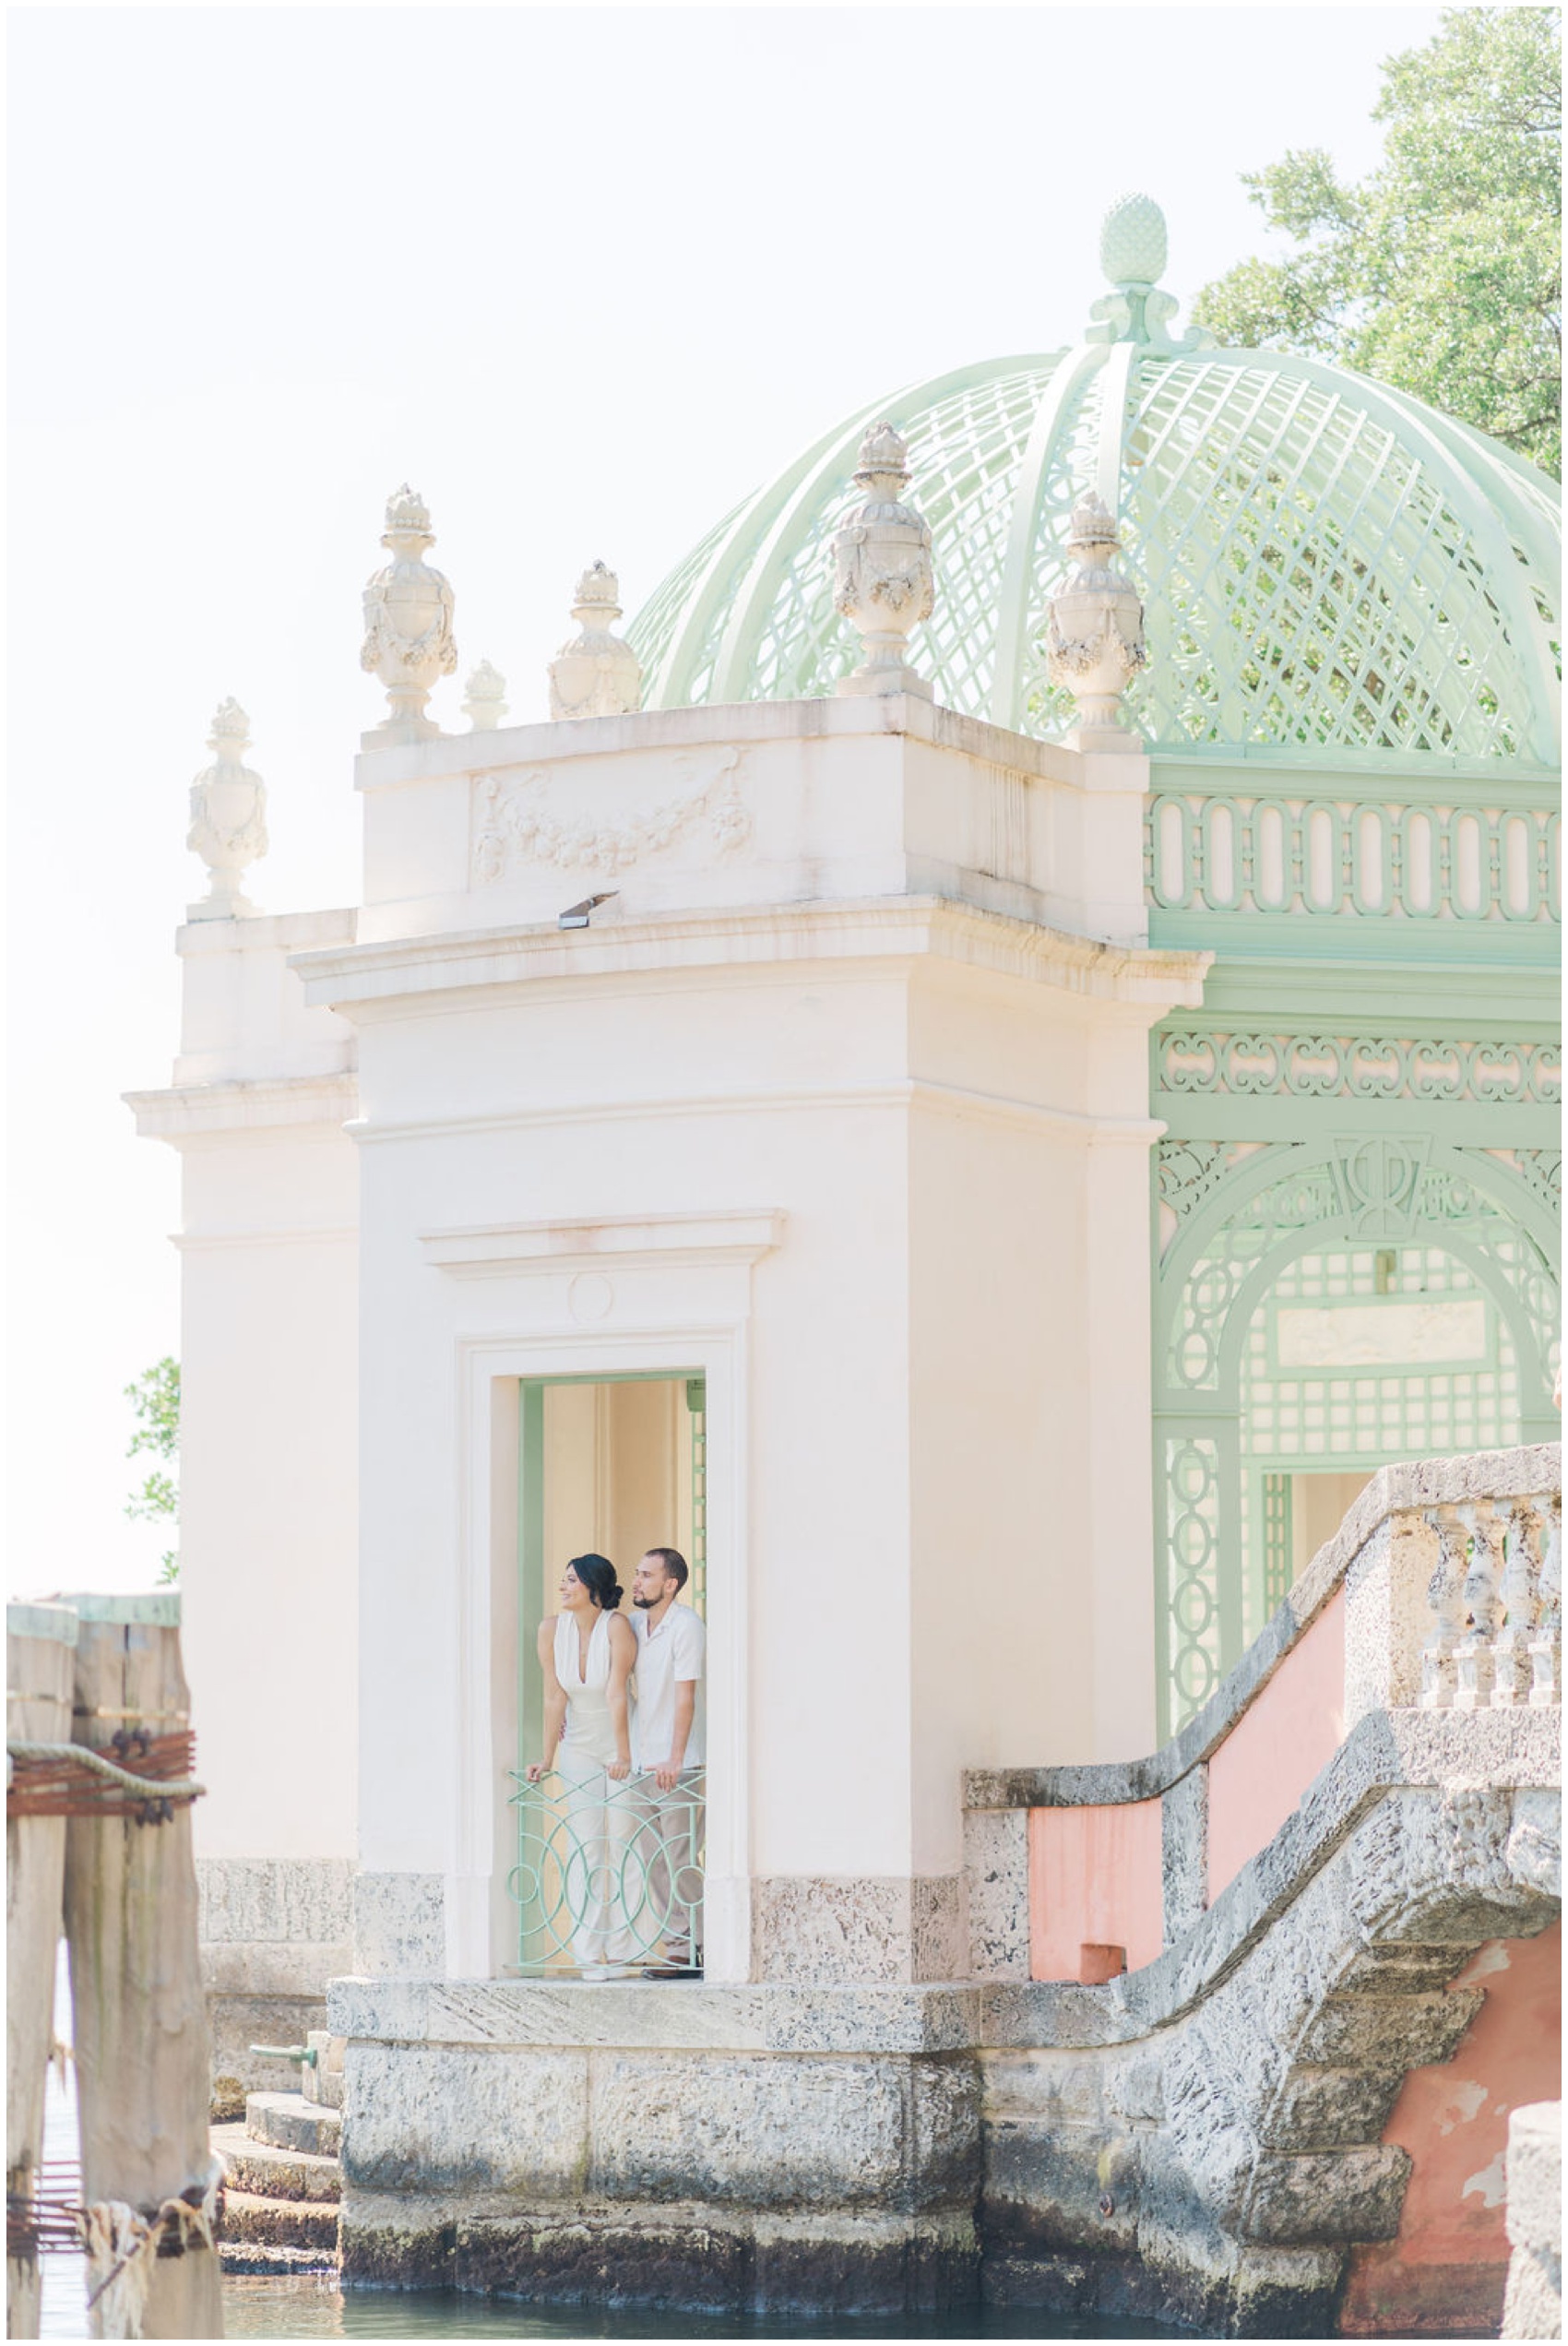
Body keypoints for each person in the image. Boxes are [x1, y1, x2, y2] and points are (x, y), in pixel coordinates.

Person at [525, 1554, 637, 1976]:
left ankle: (625, 1951)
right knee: (586, 1847)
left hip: (621, 1740)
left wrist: (624, 1755)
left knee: (625, 1844)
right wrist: (547, 1757)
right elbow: (555, 1696)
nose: (563, 1587)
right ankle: (589, 1955)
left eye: (571, 1580)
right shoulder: (550, 1630)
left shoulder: (617, 1626)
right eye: (563, 1579)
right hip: (579, 1748)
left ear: (592, 1586)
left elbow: (617, 1694)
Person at [628, 1546, 706, 1976]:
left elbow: (685, 1695)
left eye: (646, 1575)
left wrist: (675, 1758)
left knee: (681, 1857)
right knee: (654, 1858)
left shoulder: (687, 1626)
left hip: (680, 1762)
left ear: (670, 1583)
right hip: (642, 1760)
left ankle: (694, 1944)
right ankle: (680, 1942)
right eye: (636, 1573)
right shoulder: (635, 1625)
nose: (637, 1581)